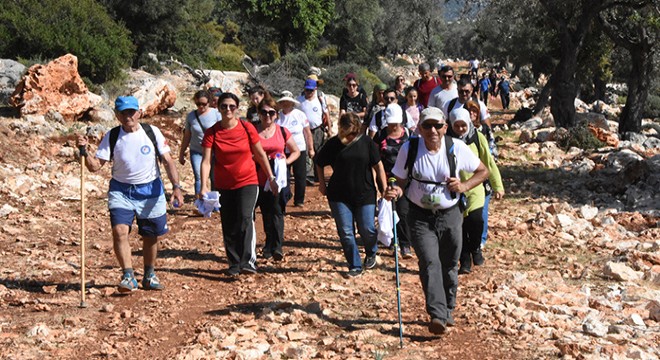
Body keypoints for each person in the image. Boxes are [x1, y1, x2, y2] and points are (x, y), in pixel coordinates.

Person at [384, 107, 489, 334]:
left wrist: (464, 186)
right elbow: (400, 181)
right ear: (419, 128)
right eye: (427, 125)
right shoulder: (409, 148)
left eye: (437, 126)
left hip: (450, 214)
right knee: (430, 262)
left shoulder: (456, 148)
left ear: (444, 127)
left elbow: (483, 171)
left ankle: (448, 307)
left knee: (450, 264)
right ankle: (437, 314)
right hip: (419, 216)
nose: (433, 130)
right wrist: (394, 191)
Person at [77, 95, 184, 293]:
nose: (128, 116)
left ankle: (149, 274)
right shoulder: (112, 135)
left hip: (150, 190)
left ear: (139, 113)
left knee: (150, 235)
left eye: (132, 112)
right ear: (117, 115)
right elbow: (94, 167)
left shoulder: (152, 132)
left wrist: (176, 187)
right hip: (121, 190)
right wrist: (83, 151)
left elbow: (168, 161)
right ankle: (127, 275)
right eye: (123, 112)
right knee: (120, 232)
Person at [200, 92, 278, 276]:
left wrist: (271, 177)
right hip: (223, 183)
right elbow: (206, 161)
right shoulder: (212, 132)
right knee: (229, 222)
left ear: (237, 108)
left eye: (231, 106)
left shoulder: (246, 127)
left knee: (245, 217)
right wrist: (203, 186)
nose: (228, 109)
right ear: (218, 108)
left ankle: (248, 261)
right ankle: (233, 263)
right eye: (224, 106)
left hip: (247, 181)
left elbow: (259, 154)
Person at [314, 113, 387, 278]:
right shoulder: (333, 144)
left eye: (353, 132)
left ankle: (371, 251)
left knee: (367, 228)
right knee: (346, 232)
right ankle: (354, 265)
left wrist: (384, 188)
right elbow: (319, 162)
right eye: (347, 132)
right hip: (339, 195)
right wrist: (322, 184)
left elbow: (378, 166)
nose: (350, 136)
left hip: (365, 193)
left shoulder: (367, 142)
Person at [447, 108, 504, 274]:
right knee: (460, 227)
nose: (460, 129)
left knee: (476, 220)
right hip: (454, 189)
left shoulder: (477, 138)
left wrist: (497, 185)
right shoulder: (447, 140)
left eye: (463, 125)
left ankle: (475, 248)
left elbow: (489, 163)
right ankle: (464, 260)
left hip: (475, 186)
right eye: (456, 126)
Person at [254, 97, 300, 260]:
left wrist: (284, 163)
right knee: (265, 211)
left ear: (276, 114)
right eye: (264, 112)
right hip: (258, 176)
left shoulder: (282, 131)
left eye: (271, 112)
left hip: (278, 176)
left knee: (277, 211)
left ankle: (277, 246)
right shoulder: (253, 130)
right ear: (259, 113)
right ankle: (268, 244)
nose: (268, 116)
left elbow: (296, 151)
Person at [373, 104, 413, 258]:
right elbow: (375, 158)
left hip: (404, 178)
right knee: (389, 209)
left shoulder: (408, 134)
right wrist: (378, 183)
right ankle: (391, 240)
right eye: (390, 122)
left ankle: (405, 244)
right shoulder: (381, 135)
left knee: (403, 210)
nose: (393, 126)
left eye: (395, 122)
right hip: (386, 177)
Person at [178, 90, 221, 195]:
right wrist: (182, 152)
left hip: (213, 151)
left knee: (214, 177)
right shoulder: (191, 116)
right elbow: (187, 135)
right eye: (198, 104)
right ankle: (200, 203)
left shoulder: (216, 114)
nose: (201, 107)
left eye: (204, 104)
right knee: (199, 177)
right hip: (196, 150)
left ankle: (215, 203)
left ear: (209, 102)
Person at [277, 91, 313, 207]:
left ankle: (299, 200)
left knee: (300, 176)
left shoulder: (300, 114)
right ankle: (285, 197)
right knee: (284, 175)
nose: (286, 104)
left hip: (299, 149)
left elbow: (307, 132)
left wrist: (311, 148)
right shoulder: (277, 116)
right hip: (283, 150)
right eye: (283, 102)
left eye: (288, 102)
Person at [297, 78, 329, 184]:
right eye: (307, 90)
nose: (309, 92)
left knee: (318, 151)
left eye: (311, 90)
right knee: (306, 152)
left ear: (315, 89)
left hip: (317, 129)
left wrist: (328, 127)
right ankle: (308, 175)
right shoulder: (299, 100)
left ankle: (317, 174)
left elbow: (326, 113)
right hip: (304, 130)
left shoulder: (319, 99)